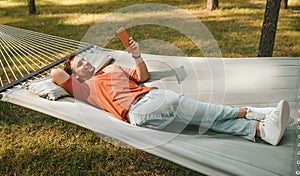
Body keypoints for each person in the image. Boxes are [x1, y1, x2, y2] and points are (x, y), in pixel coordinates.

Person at [51, 37, 290, 146]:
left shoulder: (113, 67)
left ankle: (260, 130)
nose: (86, 63)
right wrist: (69, 63)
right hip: (139, 109)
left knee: (202, 118)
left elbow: (142, 76)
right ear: (76, 75)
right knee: (181, 103)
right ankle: (251, 112)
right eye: (79, 64)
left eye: (85, 59)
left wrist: (136, 55)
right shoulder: (84, 88)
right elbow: (56, 75)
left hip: (151, 97)